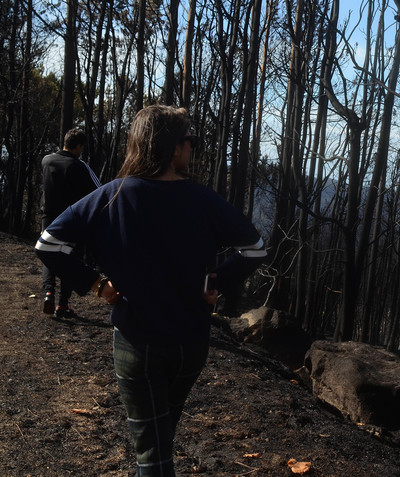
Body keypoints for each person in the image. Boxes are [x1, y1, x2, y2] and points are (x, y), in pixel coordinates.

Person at [35, 105, 267, 476]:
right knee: (159, 440)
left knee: (154, 453)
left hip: (136, 343)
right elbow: (255, 249)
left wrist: (96, 285)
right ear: (174, 148)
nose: (192, 148)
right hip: (191, 343)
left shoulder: (111, 196)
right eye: (189, 141)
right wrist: (214, 282)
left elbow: (48, 244)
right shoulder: (203, 200)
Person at [40, 128, 101, 317]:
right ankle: (62, 304)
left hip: (47, 217)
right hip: (68, 220)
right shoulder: (78, 165)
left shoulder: (46, 160)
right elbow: (98, 190)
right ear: (79, 146)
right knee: (69, 257)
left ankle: (48, 292)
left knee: (48, 254)